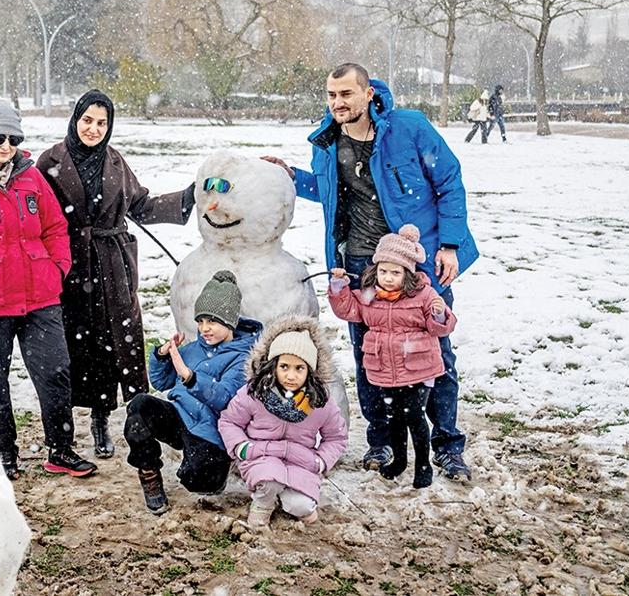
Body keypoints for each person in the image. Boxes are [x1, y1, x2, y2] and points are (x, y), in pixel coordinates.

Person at [262, 62, 477, 481]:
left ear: (368, 94)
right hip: (360, 267)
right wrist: (290, 175)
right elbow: (329, 194)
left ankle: (448, 445)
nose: (338, 103)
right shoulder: (327, 143)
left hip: (413, 265)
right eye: (331, 95)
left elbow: (449, 181)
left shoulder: (408, 128)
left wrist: (450, 244)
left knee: (436, 357)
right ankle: (381, 440)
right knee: (370, 356)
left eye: (346, 94)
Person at [37, 89, 195, 458]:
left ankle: (101, 417)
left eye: (101, 123)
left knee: (114, 341)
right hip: (70, 263)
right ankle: (73, 421)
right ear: (75, 120)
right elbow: (38, 215)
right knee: (77, 341)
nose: (93, 129)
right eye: (87, 120)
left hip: (112, 264)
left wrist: (187, 198)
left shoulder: (115, 162)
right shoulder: (50, 161)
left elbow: (139, 204)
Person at [0, 100, 96, 480]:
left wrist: (57, 267)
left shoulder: (31, 178)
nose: (6, 145)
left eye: (14, 138)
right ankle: (4, 454)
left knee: (56, 372)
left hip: (38, 298)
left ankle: (60, 451)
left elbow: (54, 228)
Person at [327, 224, 456, 489]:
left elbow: (439, 328)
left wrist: (439, 313)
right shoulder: (369, 294)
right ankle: (399, 460)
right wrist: (339, 286)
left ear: (407, 273)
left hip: (418, 368)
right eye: (383, 271)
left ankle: (423, 466)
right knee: (395, 417)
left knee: (414, 417)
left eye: (395, 272)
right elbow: (349, 310)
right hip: (386, 370)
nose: (387, 277)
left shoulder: (423, 294)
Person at [125, 271, 261, 514]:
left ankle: (216, 466)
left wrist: (191, 378)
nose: (204, 328)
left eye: (212, 322)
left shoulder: (243, 357)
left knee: (200, 483)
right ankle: (149, 473)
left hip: (209, 429)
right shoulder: (194, 348)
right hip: (177, 416)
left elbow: (225, 400)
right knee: (140, 407)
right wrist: (162, 356)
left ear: (229, 322)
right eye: (200, 321)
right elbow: (161, 382)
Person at [218, 317, 349, 526]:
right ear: (273, 366)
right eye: (284, 366)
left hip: (301, 461)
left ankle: (292, 501)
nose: (291, 375)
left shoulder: (319, 402)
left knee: (301, 506)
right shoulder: (255, 394)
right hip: (260, 456)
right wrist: (241, 447)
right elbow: (229, 421)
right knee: (269, 482)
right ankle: (262, 505)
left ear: (310, 371)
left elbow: (336, 437)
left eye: (299, 368)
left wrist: (321, 461)